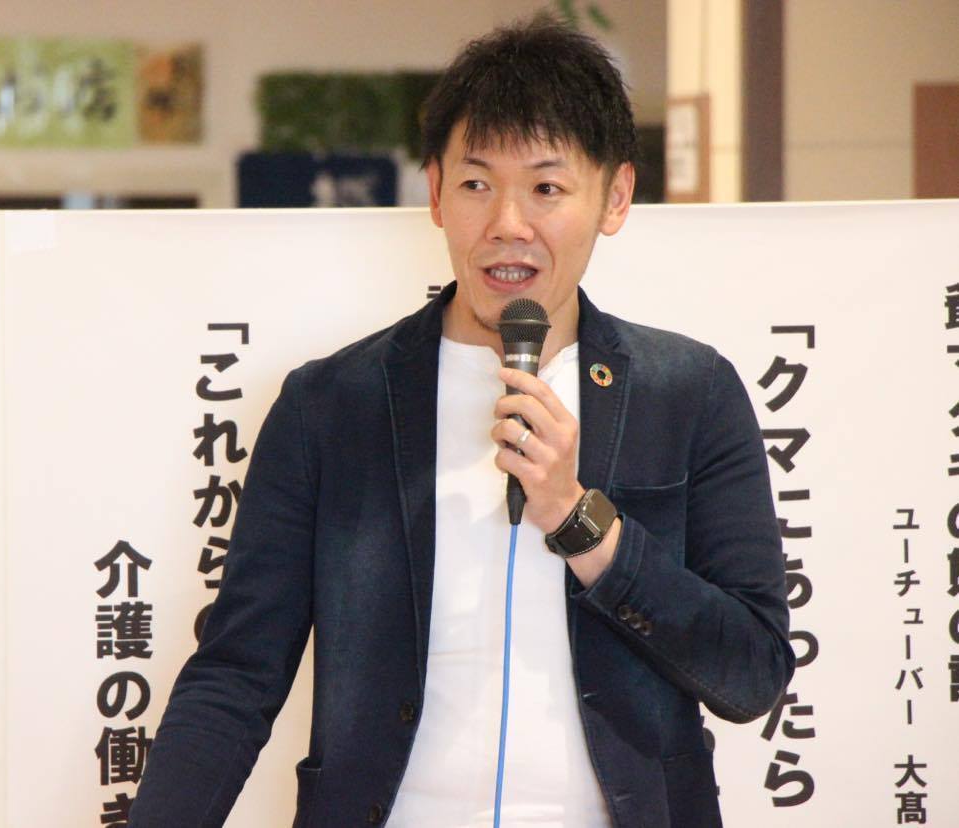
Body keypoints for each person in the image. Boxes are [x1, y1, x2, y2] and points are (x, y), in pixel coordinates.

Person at [129, 17, 793, 828]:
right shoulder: (330, 405)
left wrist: (582, 522)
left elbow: (752, 672)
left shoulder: (688, 393)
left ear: (615, 197)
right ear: (437, 192)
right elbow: (236, 675)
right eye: (477, 184)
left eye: (547, 188)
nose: (508, 222)